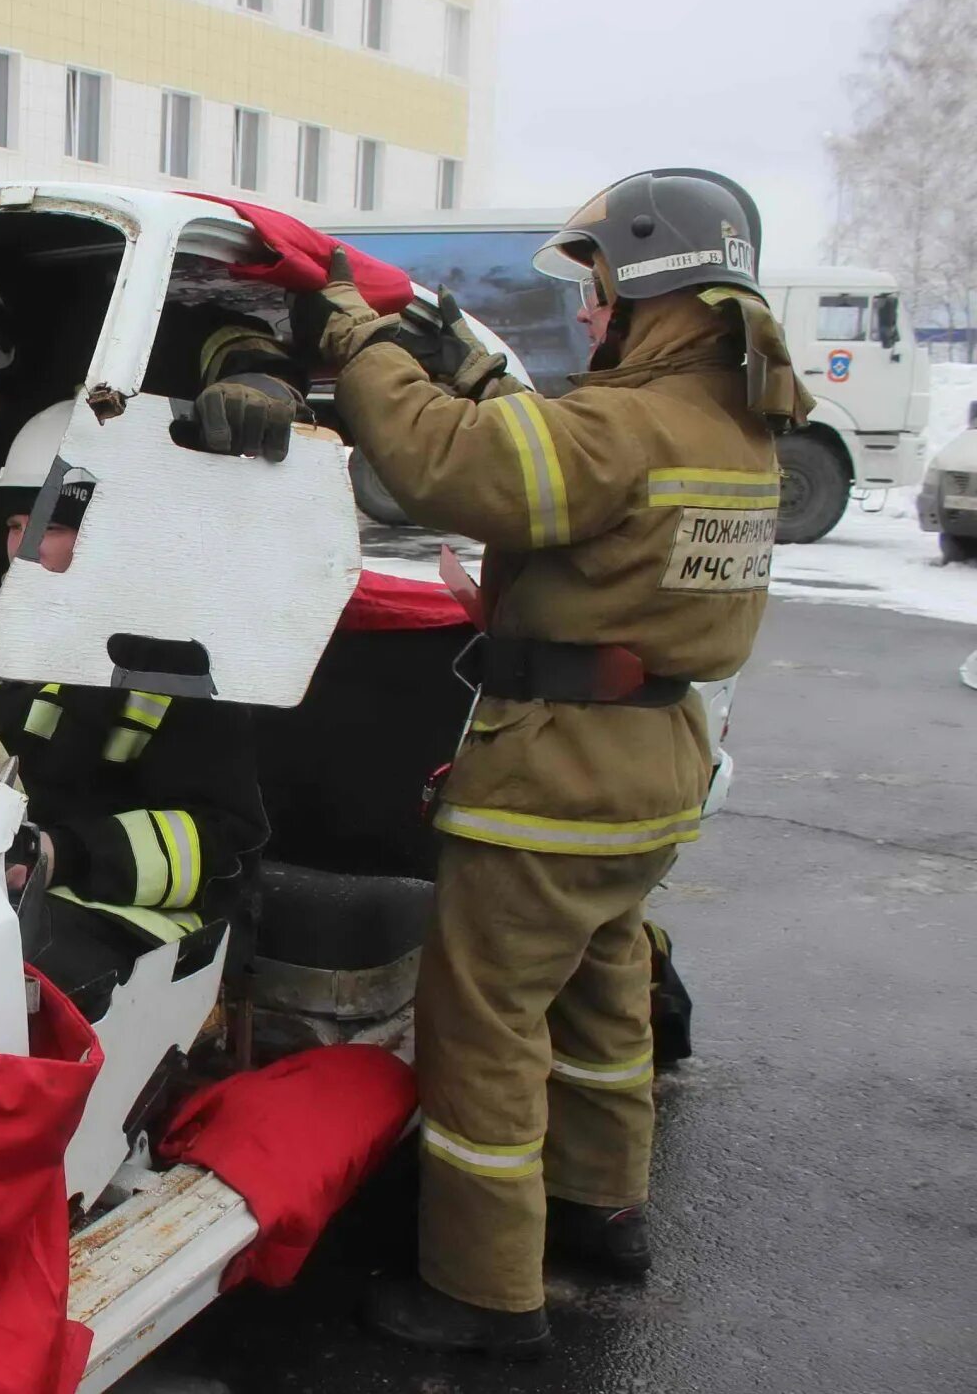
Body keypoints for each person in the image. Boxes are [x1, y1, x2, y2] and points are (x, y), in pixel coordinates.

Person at [294, 168, 812, 1358]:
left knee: (483, 1025)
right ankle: (599, 1207)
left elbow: (442, 468)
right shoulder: (730, 422)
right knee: (601, 995)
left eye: (594, 289)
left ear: (646, 283)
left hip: (555, 781)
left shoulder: (620, 426)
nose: (583, 313)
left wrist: (365, 348)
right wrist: (475, 372)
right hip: (649, 774)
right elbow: (576, 498)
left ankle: (479, 1289)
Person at [0, 401, 266, 1020]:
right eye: (16, 525)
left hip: (138, 923)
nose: (22, 551)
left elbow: (222, 841)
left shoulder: (181, 664)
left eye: (50, 527)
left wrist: (61, 854)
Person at [0, 256, 304, 647]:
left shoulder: (102, 335)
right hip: (29, 510)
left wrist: (256, 383)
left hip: (159, 554)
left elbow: (220, 339)